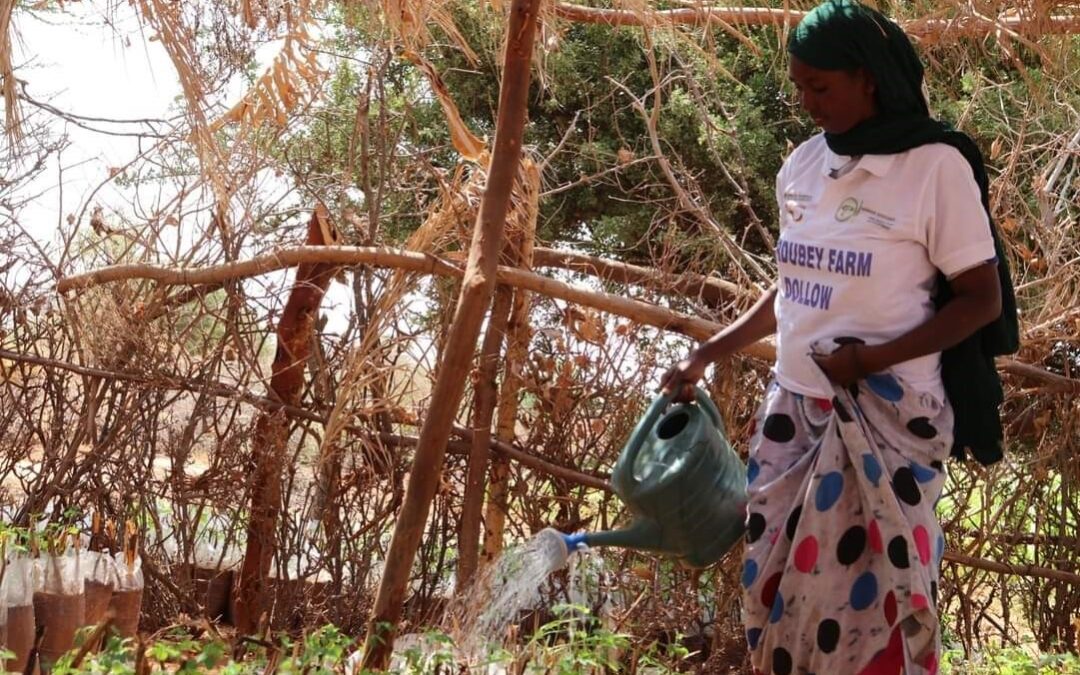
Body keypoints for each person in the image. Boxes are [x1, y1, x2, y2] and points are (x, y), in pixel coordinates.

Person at [660, 1, 1019, 673]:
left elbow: (980, 298)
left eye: (819, 87)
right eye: (799, 86)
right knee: (775, 585)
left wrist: (871, 360)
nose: (806, 103)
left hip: (885, 413)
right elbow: (793, 284)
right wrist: (709, 350)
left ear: (869, 78)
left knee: (877, 592)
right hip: (794, 412)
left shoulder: (934, 167)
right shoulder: (803, 165)